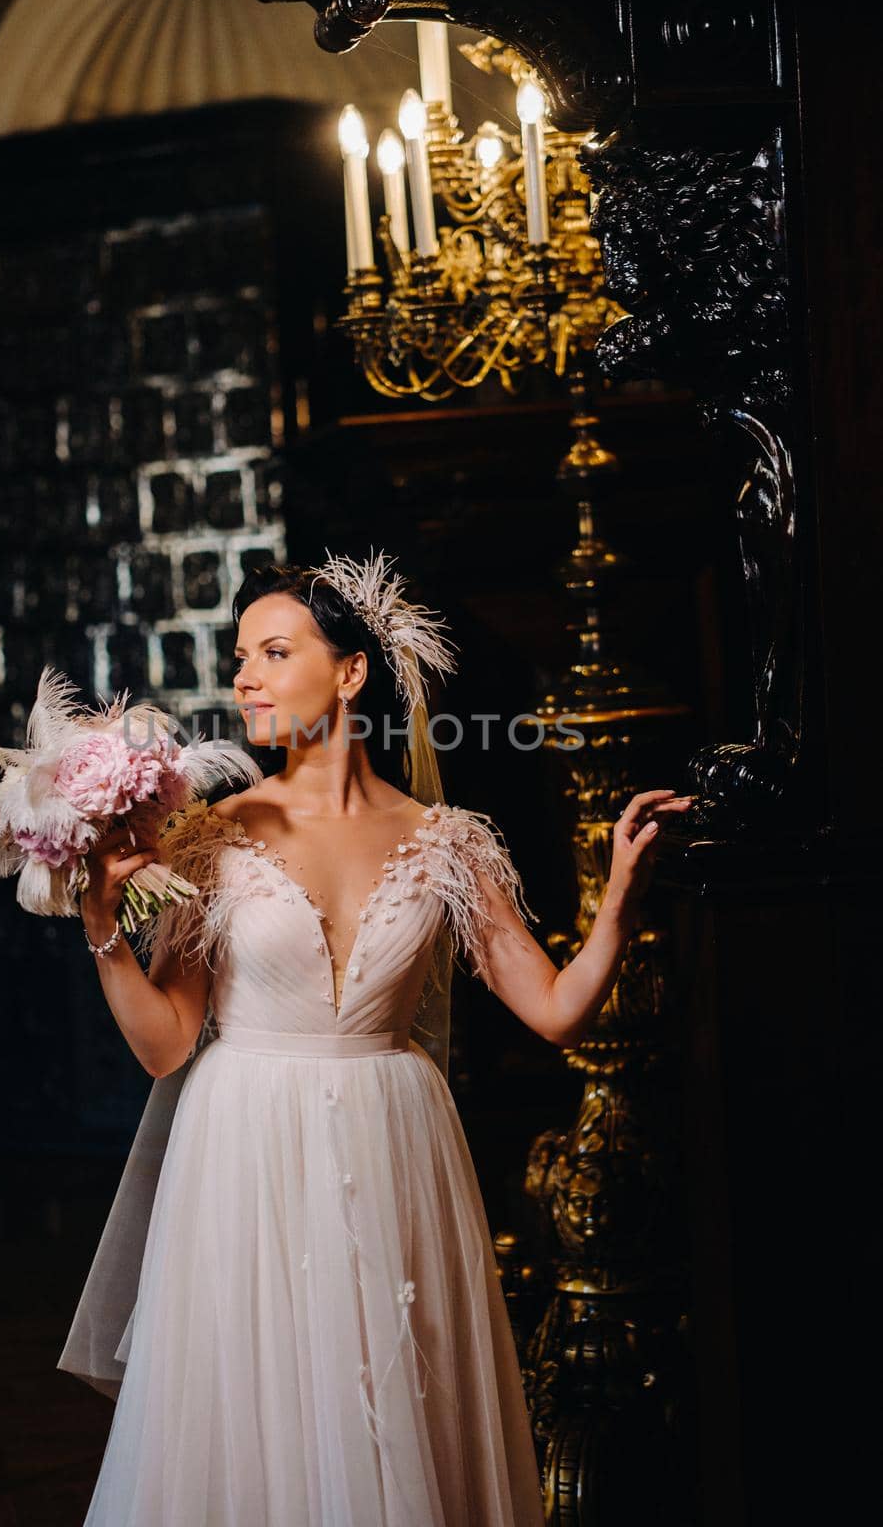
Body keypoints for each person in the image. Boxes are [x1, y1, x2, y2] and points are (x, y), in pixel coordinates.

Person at [58, 548, 693, 1526]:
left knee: (389, 1410)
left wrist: (617, 895)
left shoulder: (446, 840)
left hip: (394, 1147)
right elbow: (164, 1045)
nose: (244, 677)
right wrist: (103, 931)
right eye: (240, 657)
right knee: (262, 1417)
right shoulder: (210, 835)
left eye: (273, 651)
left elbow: (557, 1011)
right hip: (247, 1155)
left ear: (350, 671)